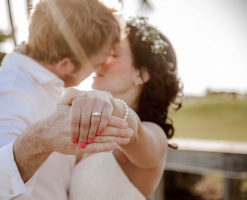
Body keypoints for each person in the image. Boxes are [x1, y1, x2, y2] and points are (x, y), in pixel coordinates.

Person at [0, 0, 134, 199]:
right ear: (65, 65)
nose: (97, 71)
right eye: (96, 64)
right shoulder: (9, 93)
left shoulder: (51, 92)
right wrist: (40, 140)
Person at [69, 16, 183, 200]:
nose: (101, 60)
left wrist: (112, 105)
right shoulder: (90, 125)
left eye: (113, 55)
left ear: (142, 73)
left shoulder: (155, 136)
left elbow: (134, 131)